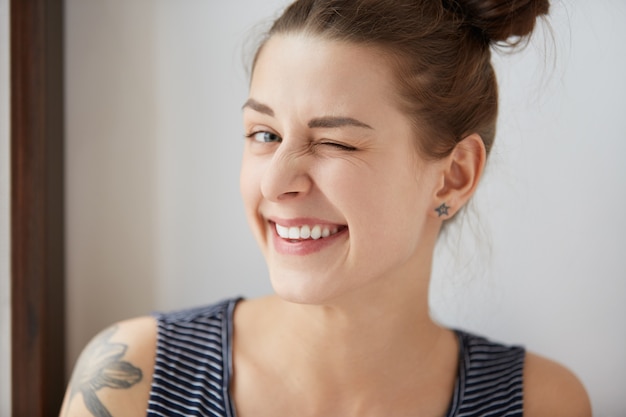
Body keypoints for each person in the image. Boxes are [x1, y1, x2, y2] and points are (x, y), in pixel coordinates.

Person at [60, 0, 592, 416]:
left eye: (336, 143)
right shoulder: (135, 377)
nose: (275, 181)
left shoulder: (540, 404)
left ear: (453, 176)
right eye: (264, 134)